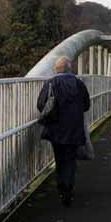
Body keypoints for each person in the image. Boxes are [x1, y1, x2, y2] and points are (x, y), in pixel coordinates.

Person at [37, 56, 91, 207]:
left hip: (56, 128)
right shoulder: (79, 84)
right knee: (70, 158)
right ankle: (68, 187)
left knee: (59, 157)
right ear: (70, 67)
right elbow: (86, 104)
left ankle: (61, 186)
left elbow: (41, 104)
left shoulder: (51, 83)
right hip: (74, 127)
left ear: (56, 69)